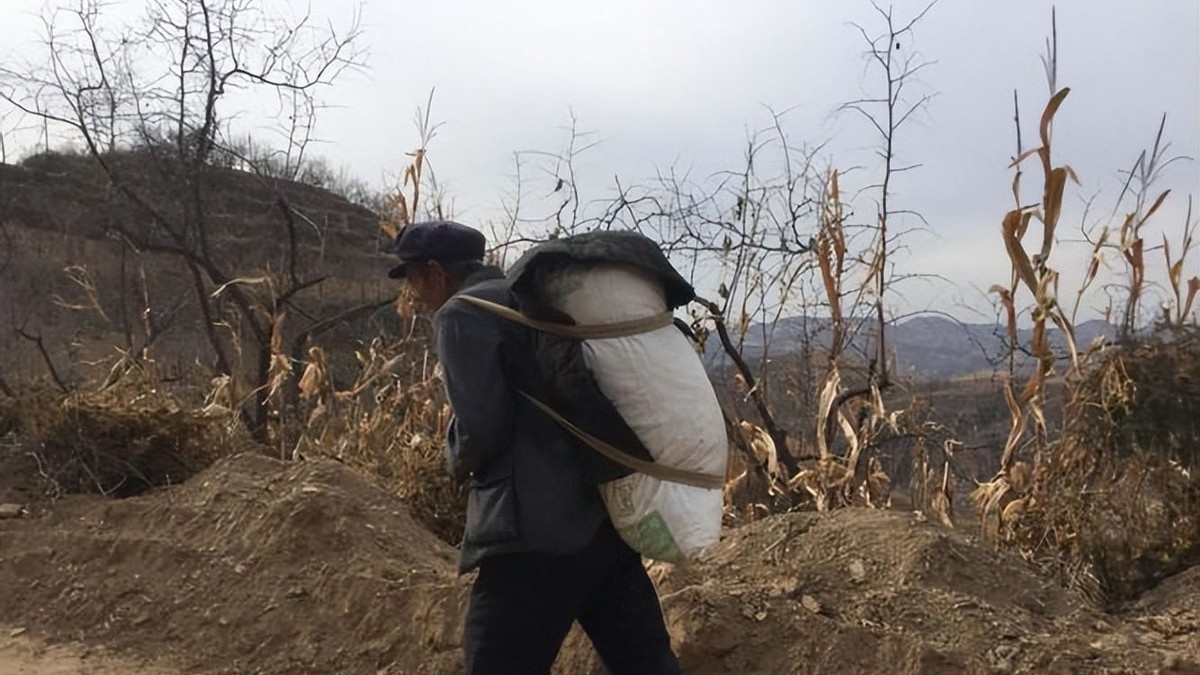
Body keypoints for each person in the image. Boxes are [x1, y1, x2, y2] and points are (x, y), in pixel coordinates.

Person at [386, 220, 683, 675]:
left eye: (413, 279)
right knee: (647, 666)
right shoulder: (538, 299)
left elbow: (483, 427)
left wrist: (452, 457)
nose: (413, 292)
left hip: (531, 538)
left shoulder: (462, 314)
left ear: (436, 272)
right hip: (604, 525)